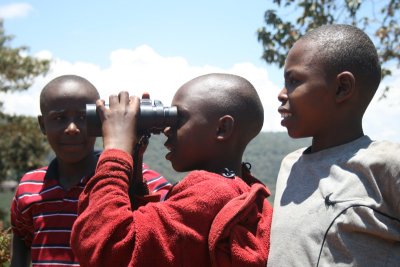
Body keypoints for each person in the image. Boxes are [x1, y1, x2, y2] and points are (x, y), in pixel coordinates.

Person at [70, 73, 273, 267]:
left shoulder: (210, 194)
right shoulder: (241, 190)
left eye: (179, 118)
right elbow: (144, 233)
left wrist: (116, 149)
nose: (167, 129)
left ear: (222, 128)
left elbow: (106, 250)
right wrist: (133, 150)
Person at [268, 24, 400, 266]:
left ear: (342, 88)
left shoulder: (388, 165)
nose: (281, 93)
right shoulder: (290, 165)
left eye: (294, 80)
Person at [10, 75, 171, 267]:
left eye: (83, 117)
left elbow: (172, 218)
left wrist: (133, 158)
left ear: (100, 122)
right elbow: (21, 245)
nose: (72, 128)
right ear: (43, 125)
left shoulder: (129, 178)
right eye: (59, 118)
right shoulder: (30, 186)